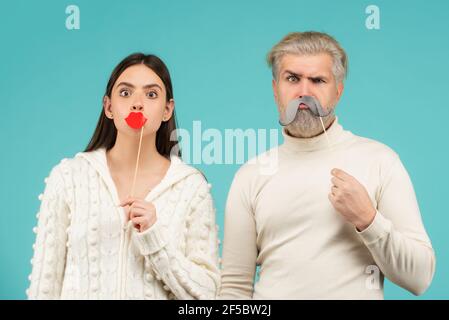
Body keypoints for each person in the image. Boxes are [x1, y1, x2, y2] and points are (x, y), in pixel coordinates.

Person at [219, 32, 435, 299]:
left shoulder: (380, 161)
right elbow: (234, 290)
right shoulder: (250, 175)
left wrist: (368, 220)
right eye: (292, 79)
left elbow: (420, 277)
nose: (304, 92)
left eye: (318, 80)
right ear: (276, 90)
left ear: (338, 91)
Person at [27, 53, 220, 299]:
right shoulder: (68, 178)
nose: (137, 103)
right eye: (126, 93)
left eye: (151, 94)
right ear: (108, 107)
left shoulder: (191, 187)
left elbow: (207, 294)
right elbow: (44, 286)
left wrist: (154, 237)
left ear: (167, 110)